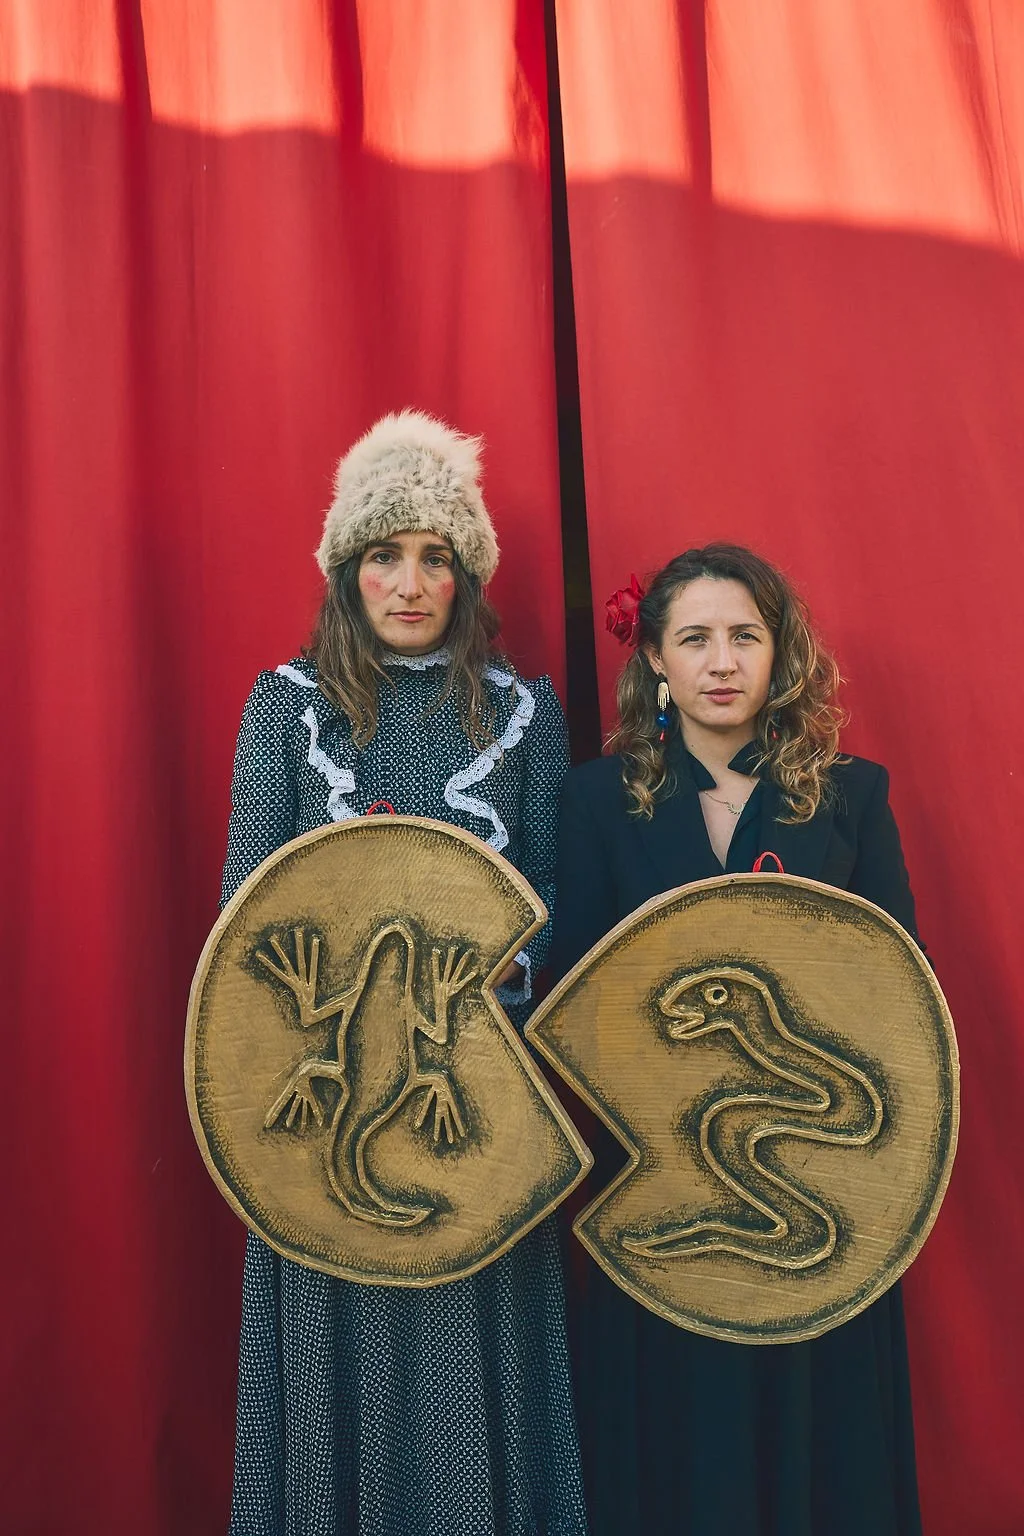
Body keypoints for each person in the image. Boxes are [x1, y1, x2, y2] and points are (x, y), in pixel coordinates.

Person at [222, 409, 587, 1535]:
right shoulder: (285, 710)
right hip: (320, 1100)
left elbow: (552, 908)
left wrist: (482, 981)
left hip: (475, 1099)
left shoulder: (525, 718)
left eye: (435, 555)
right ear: (348, 569)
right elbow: (247, 913)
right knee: (345, 1308)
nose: (410, 580)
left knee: (470, 1327)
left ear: (465, 575)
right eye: (385, 553)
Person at [550, 544, 922, 1536]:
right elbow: (571, 998)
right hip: (662, 1188)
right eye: (695, 638)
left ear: (779, 654)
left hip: (823, 1198)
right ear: (657, 665)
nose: (721, 661)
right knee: (677, 1453)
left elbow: (900, 996)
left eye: (744, 636)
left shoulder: (850, 797)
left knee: (818, 1442)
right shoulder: (595, 802)